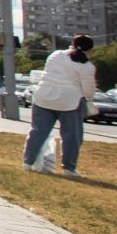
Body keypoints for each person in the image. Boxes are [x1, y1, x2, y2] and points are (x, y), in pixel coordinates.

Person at [25, 34, 100, 177]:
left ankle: (28, 162)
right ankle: (69, 168)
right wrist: (89, 99)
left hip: (44, 97)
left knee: (38, 132)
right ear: (90, 50)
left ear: (72, 43)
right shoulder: (87, 66)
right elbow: (89, 89)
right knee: (72, 136)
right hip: (70, 101)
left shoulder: (55, 55)